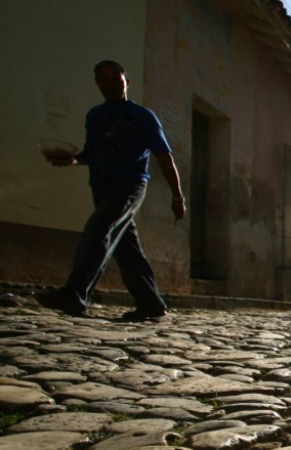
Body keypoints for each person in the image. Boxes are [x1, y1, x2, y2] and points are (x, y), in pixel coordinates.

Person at [39, 61, 184, 321]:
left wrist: (177, 195)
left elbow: (164, 156)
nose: (110, 86)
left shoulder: (142, 116)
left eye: (115, 80)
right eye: (104, 81)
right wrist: (72, 159)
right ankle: (151, 302)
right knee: (126, 248)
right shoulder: (94, 116)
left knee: (97, 229)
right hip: (101, 187)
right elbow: (92, 153)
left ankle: (74, 295)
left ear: (126, 81)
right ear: (97, 83)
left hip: (130, 185)